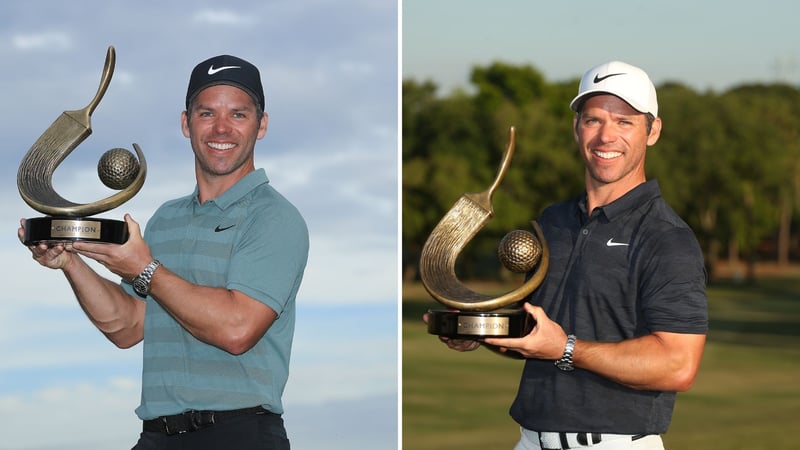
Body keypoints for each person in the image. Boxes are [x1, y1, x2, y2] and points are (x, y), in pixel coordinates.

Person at [19, 54, 309, 450]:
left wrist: (145, 268)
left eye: (238, 115)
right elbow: (129, 326)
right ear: (186, 123)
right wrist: (72, 261)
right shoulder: (165, 219)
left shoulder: (275, 218)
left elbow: (237, 329)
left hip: (239, 434)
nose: (221, 128)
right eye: (207, 113)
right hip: (157, 436)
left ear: (262, 125)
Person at [432, 61, 708, 450]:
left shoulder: (667, 237)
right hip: (530, 439)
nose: (606, 136)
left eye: (624, 122)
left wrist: (565, 350)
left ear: (653, 131)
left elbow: (677, 365)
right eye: (593, 120)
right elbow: (541, 333)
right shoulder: (555, 221)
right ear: (576, 128)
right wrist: (478, 330)